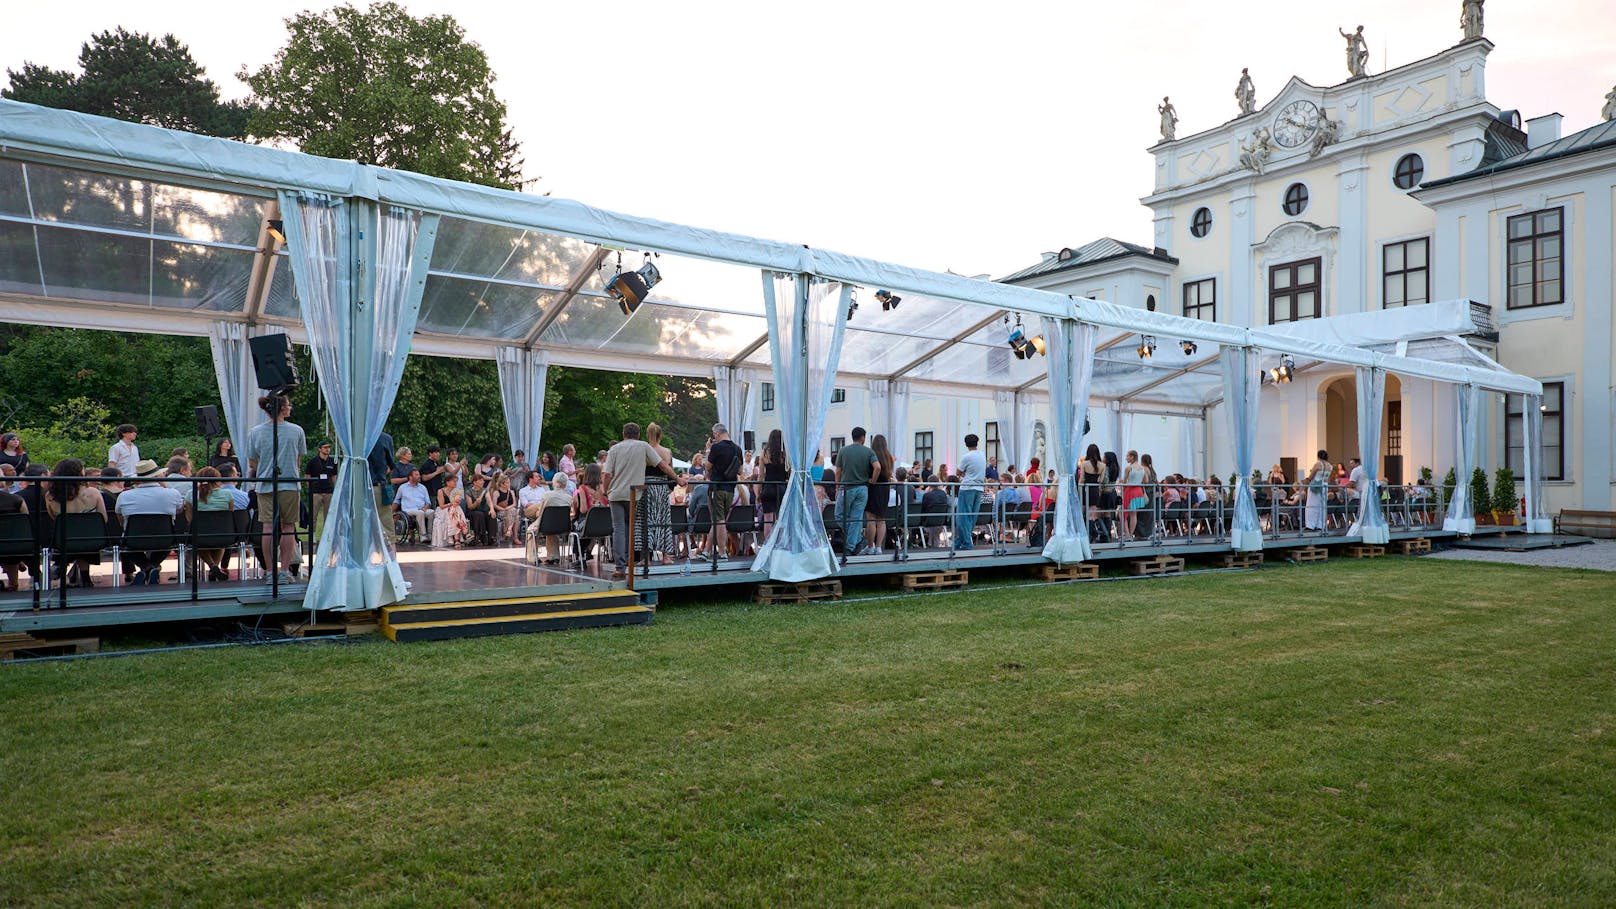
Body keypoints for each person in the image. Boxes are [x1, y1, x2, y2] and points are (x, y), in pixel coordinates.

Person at [602, 423, 681, 580]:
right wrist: (678, 478)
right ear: (638, 435)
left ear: (623, 434)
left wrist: (605, 490)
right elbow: (663, 466)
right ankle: (633, 561)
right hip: (634, 494)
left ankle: (620, 566)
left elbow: (606, 474)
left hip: (616, 494)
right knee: (634, 527)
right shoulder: (643, 446)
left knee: (618, 528)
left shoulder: (614, 449)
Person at [245, 393, 307, 585]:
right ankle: (284, 571)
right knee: (288, 527)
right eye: (288, 405)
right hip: (289, 483)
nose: (290, 408)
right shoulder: (296, 430)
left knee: (268, 527)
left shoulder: (255, 432)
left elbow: (253, 462)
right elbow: (298, 459)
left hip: (265, 485)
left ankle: (269, 571)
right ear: (282, 408)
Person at [116, 459, 188, 585]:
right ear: (158, 476)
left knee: (125, 543)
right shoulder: (172, 493)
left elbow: (121, 520)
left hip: (133, 539)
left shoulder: (125, 496)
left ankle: (146, 567)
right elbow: (179, 510)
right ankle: (152, 566)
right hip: (165, 539)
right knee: (170, 540)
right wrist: (164, 485)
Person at [44, 458, 107, 587]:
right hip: (90, 539)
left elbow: (53, 517)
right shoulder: (93, 493)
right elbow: (103, 518)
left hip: (64, 539)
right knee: (83, 536)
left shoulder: (50, 496)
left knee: (71, 534)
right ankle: (85, 578)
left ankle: (62, 568)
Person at [834, 427, 878, 561]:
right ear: (863, 437)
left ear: (852, 437)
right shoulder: (869, 451)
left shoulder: (843, 451)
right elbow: (878, 467)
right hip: (863, 488)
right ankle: (855, 541)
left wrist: (837, 487)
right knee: (856, 517)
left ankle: (853, 543)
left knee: (839, 515)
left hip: (846, 488)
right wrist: (872, 481)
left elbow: (838, 471)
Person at [640, 423, 681, 562]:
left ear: (647, 435)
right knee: (663, 521)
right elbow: (670, 473)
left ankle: (646, 557)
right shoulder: (667, 452)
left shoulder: (644, 450)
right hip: (662, 488)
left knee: (646, 521)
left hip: (646, 488)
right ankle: (665, 556)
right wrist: (669, 489)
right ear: (660, 436)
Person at [704, 423, 744, 560]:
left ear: (716, 433)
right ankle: (706, 550)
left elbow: (707, 466)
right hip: (731, 489)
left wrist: (708, 450)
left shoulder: (716, 448)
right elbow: (740, 471)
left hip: (717, 488)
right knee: (718, 520)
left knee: (719, 520)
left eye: (713, 434)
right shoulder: (737, 449)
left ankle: (722, 552)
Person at [192, 466, 236, 582]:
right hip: (223, 534)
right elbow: (230, 514)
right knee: (220, 541)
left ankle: (212, 566)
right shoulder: (227, 494)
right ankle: (214, 569)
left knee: (197, 539)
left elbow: (189, 518)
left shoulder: (191, 494)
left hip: (200, 535)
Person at [953, 433, 987, 551]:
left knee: (962, 517)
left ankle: (966, 542)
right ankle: (960, 541)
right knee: (972, 517)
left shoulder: (966, 457)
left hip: (967, 487)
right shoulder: (982, 455)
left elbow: (958, 472)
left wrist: (964, 473)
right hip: (979, 488)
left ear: (966, 444)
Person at [530, 474, 575, 564]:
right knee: (552, 527)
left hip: (547, 525)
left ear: (554, 482)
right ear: (565, 484)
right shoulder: (569, 498)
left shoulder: (547, 495)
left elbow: (541, 512)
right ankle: (553, 556)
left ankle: (533, 557)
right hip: (563, 527)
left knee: (530, 530)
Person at [865, 433, 895, 555]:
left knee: (871, 520)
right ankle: (879, 547)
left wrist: (871, 480)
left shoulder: (872, 455)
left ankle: (870, 546)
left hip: (873, 488)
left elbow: (870, 471)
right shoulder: (889, 457)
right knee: (881, 520)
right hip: (885, 489)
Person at [759, 429, 788, 542]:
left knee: (768, 520)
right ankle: (779, 545)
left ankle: (767, 546)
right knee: (781, 519)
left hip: (768, 487)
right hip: (781, 488)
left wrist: (758, 492)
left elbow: (760, 476)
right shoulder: (785, 453)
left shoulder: (764, 453)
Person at [369, 430, 397, 543]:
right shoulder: (385, 438)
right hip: (379, 486)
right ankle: (391, 557)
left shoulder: (355, 436)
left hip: (360, 487)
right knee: (387, 525)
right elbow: (391, 465)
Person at [305, 441, 338, 534]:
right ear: (319, 449)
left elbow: (334, 476)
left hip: (329, 492)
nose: (327, 449)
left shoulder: (332, 462)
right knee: (313, 515)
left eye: (329, 447)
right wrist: (310, 489)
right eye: (325, 447)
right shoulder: (312, 462)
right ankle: (312, 536)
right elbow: (307, 476)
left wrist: (335, 488)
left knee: (328, 516)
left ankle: (327, 536)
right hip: (316, 492)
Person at [431, 473, 470, 549]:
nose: (455, 483)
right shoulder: (441, 491)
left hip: (453, 510)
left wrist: (456, 502)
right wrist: (451, 503)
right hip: (442, 510)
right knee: (454, 510)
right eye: (453, 481)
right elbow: (441, 506)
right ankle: (464, 533)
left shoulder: (456, 491)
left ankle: (457, 539)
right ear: (447, 482)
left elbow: (456, 504)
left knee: (455, 510)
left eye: (456, 481)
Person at [394, 468, 433, 542]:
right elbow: (397, 500)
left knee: (432, 512)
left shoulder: (422, 487)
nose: (419, 476)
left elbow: (428, 502)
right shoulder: (402, 487)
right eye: (416, 475)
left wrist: (425, 508)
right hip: (408, 510)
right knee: (420, 513)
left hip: (422, 509)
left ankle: (430, 535)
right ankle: (423, 536)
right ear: (410, 477)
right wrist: (392, 511)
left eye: (419, 474)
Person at [1119, 450, 1148, 540]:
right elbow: (1146, 481)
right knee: (1133, 514)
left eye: (1127, 456)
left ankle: (1127, 534)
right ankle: (1130, 535)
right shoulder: (1143, 468)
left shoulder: (1129, 468)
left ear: (1132, 457)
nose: (1126, 458)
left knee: (1121, 513)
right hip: (1139, 491)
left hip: (1130, 490)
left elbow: (1124, 481)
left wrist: (1122, 482)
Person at [464, 473, 496, 546]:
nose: (483, 482)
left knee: (491, 514)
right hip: (472, 512)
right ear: (474, 482)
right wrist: (476, 503)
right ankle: (481, 537)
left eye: (483, 480)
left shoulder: (484, 490)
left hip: (483, 510)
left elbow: (489, 500)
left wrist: (492, 509)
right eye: (480, 480)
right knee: (479, 514)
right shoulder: (468, 492)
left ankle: (492, 537)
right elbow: (470, 507)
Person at [1305, 449, 1331, 531]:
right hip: (1325, 486)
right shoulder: (1330, 466)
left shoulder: (1318, 464)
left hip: (1316, 486)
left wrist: (1306, 481)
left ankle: (1310, 525)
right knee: (1322, 506)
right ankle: (1321, 525)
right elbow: (1328, 479)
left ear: (1318, 456)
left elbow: (1311, 476)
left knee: (1312, 505)